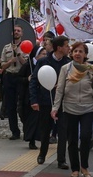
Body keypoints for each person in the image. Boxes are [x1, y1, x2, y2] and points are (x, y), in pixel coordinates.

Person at [51, 42, 93, 177]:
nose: (77, 54)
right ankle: (75, 168)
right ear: (71, 53)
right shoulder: (65, 69)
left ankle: (84, 167)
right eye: (75, 51)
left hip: (88, 107)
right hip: (69, 108)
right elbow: (60, 89)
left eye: (80, 51)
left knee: (86, 136)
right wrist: (55, 108)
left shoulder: (91, 69)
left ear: (85, 55)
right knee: (72, 139)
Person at [30, 35, 71, 165]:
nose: (68, 48)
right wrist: (34, 100)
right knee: (45, 129)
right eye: (66, 46)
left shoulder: (68, 63)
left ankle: (61, 159)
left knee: (63, 131)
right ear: (59, 48)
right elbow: (34, 81)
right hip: (45, 101)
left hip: (63, 102)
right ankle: (42, 154)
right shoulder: (44, 61)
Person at [0, 24, 28, 140]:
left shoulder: (26, 47)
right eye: (14, 31)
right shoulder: (6, 48)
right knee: (10, 106)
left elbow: (26, 64)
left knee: (22, 106)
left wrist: (19, 53)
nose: (16, 32)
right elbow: (2, 65)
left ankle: (27, 130)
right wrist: (10, 61)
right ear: (12, 33)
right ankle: (14, 131)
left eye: (18, 31)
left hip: (21, 78)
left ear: (22, 33)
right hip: (9, 77)